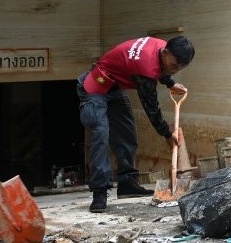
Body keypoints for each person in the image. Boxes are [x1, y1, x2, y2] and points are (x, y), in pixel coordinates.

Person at [78, 36, 193, 213]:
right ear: (166, 52)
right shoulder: (145, 67)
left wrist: (170, 82)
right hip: (96, 85)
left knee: (127, 132)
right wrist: (167, 135)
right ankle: (99, 192)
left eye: (179, 68)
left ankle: (127, 183)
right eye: (174, 66)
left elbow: (160, 68)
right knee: (101, 133)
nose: (174, 70)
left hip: (114, 86)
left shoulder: (162, 46)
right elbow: (151, 109)